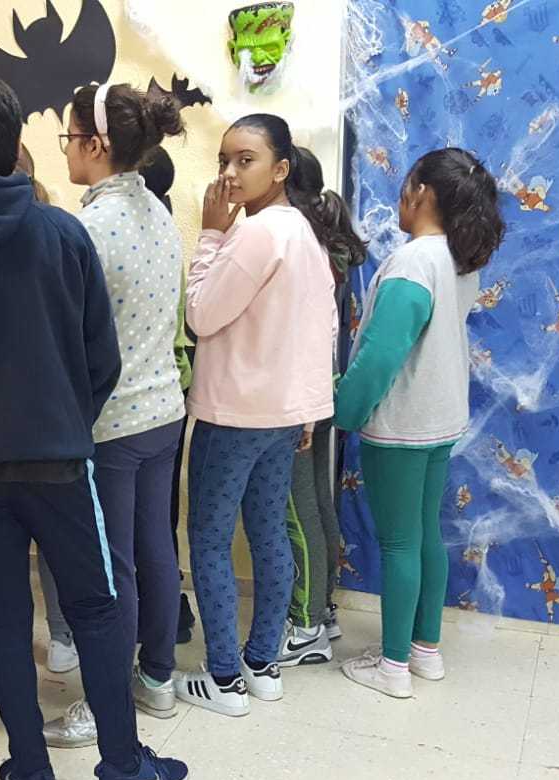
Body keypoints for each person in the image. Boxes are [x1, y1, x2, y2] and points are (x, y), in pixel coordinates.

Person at [0, 68, 189, 780]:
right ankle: (121, 767)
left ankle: (32, 774)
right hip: (60, 458)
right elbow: (101, 358)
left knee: (0, 618)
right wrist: (66, 420)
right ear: (19, 140)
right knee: (95, 605)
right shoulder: (63, 233)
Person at [172, 114, 338, 716]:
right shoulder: (304, 234)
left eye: (246, 160)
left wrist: (210, 235)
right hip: (284, 417)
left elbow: (200, 315)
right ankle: (262, 664)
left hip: (235, 415)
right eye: (224, 160)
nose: (229, 174)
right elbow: (321, 330)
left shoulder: (256, 233)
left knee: (211, 540)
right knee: (268, 533)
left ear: (281, 169)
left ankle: (224, 677)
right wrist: (309, 413)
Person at [41, 83, 188, 749]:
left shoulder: (89, 230)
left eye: (70, 138)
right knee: (154, 549)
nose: (66, 150)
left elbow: (63, 332)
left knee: (110, 567)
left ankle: (106, 704)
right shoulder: (157, 210)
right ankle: (157, 677)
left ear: (97, 144)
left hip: (113, 423)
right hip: (163, 410)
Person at [334, 148, 506, 699]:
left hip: (403, 424)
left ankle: (392, 668)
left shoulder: (412, 263)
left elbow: (380, 355)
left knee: (398, 544)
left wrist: (343, 410)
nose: (400, 195)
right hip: (441, 419)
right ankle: (425, 651)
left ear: (423, 192)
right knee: (426, 535)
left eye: (407, 184)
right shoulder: (459, 260)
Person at [278, 146, 367, 666]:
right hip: (322, 387)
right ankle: (322, 609)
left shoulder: (301, 243)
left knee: (297, 510)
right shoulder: (328, 243)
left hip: (300, 394)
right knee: (316, 503)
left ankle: (306, 624)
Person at [138, 146, 200, 647]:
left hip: (134, 398)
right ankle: (168, 614)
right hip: (171, 389)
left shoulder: (133, 231)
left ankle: (155, 615)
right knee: (161, 515)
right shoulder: (167, 233)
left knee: (137, 520)